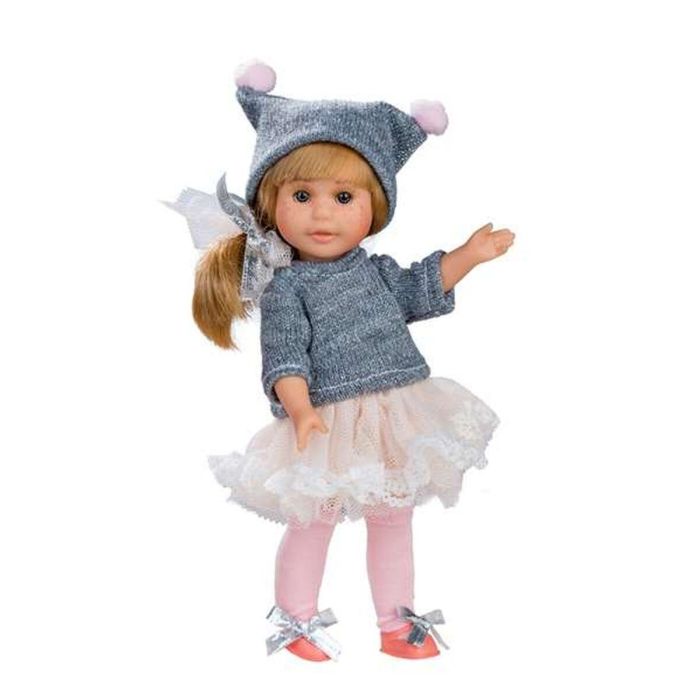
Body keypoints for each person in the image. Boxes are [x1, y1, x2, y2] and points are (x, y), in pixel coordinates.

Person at [168, 59, 515, 662]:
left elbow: (420, 289)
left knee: (393, 517)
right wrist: (300, 409)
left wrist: (468, 255)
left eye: (344, 196)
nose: (322, 213)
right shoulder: (287, 288)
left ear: (374, 208)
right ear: (270, 203)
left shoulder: (375, 273)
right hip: (325, 422)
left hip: (393, 416)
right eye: (302, 196)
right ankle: (295, 619)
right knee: (314, 518)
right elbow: (284, 356)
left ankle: (396, 623)